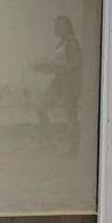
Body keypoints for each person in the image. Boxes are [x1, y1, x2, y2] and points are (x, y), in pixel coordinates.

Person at [35, 14, 82, 152]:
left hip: (70, 83)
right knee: (41, 107)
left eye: (59, 25)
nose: (56, 28)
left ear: (67, 27)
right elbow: (58, 64)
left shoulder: (72, 43)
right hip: (59, 82)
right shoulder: (60, 44)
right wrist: (44, 68)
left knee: (70, 114)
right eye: (55, 25)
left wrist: (55, 67)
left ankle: (73, 146)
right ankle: (50, 140)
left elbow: (76, 65)